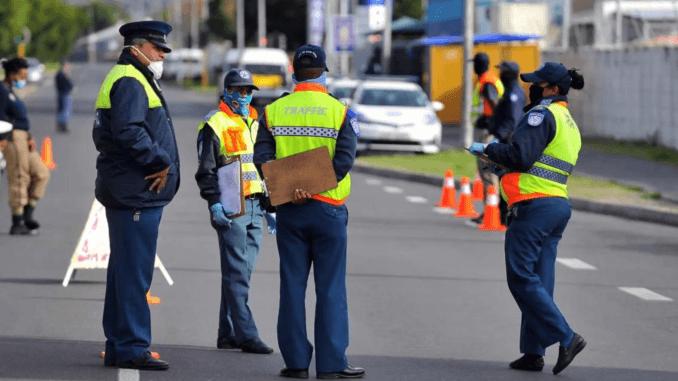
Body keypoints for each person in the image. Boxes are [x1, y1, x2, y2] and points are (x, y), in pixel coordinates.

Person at [253, 44, 365, 380]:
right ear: (325, 72)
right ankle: (331, 365)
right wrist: (312, 186)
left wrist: (292, 188)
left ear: (294, 74)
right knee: (330, 288)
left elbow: (262, 159)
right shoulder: (341, 112)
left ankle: (296, 363)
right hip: (329, 210)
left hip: (290, 211)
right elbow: (343, 162)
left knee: (291, 285)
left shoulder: (273, 111)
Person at [468, 62, 587, 375]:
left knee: (521, 276)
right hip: (556, 206)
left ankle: (567, 337)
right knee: (540, 281)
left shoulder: (541, 115)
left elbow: (521, 155)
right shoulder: (568, 122)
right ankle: (534, 352)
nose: (531, 88)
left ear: (551, 89)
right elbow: (538, 164)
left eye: (537, 84)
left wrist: (489, 149)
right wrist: (500, 167)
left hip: (534, 208)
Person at [93, 20, 179, 371]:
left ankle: (119, 344)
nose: (162, 55)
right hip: (135, 190)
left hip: (129, 189)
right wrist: (160, 160)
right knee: (134, 273)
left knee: (124, 271)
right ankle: (130, 345)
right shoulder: (130, 79)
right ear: (138, 47)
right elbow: (128, 131)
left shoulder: (132, 77)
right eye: (158, 48)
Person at [195, 68, 277, 355]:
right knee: (237, 273)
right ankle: (247, 334)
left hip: (256, 205)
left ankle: (227, 332)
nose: (244, 95)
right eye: (239, 90)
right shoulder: (214, 124)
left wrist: (270, 206)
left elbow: (264, 165)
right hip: (231, 206)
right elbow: (206, 170)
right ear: (226, 91)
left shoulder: (256, 121)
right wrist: (214, 203)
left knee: (241, 272)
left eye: (248, 90)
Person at [0, 57, 51, 235]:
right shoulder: (1, 90)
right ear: (13, 73)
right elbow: (1, 117)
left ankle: (28, 215)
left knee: (41, 173)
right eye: (23, 73)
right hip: (12, 137)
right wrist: (4, 138)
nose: (25, 76)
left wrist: (29, 136)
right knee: (20, 177)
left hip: (23, 137)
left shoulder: (10, 90)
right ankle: (17, 221)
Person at [485, 61, 526, 226]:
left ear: (509, 74)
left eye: (502, 72)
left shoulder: (514, 93)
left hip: (507, 141)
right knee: (501, 176)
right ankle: (502, 215)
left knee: (505, 177)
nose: (499, 74)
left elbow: (512, 120)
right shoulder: (509, 91)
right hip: (503, 139)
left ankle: (505, 215)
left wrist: (499, 137)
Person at [469, 52, 504, 226]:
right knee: (487, 171)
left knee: (487, 171)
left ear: (478, 65)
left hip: (488, 132)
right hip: (488, 131)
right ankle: (491, 210)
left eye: (474, 64)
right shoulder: (489, 78)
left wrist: (491, 121)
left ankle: (492, 211)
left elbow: (494, 102)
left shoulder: (487, 81)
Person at [56, 59, 74, 133]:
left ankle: (61, 124)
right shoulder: (62, 75)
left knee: (61, 109)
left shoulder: (60, 74)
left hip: (61, 94)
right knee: (65, 110)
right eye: (67, 66)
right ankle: (63, 125)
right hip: (64, 94)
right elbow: (67, 84)